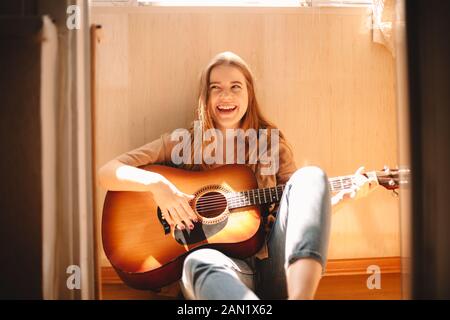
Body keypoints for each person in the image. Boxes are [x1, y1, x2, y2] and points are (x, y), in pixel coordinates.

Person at [98, 51, 375, 300]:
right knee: (198, 262)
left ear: (249, 95)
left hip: (272, 266)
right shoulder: (182, 143)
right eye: (215, 88)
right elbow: (106, 173)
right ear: (205, 98)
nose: (225, 96)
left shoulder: (272, 145)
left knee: (310, 176)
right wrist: (158, 185)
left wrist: (342, 199)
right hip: (221, 276)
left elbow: (299, 211)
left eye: (235, 87)